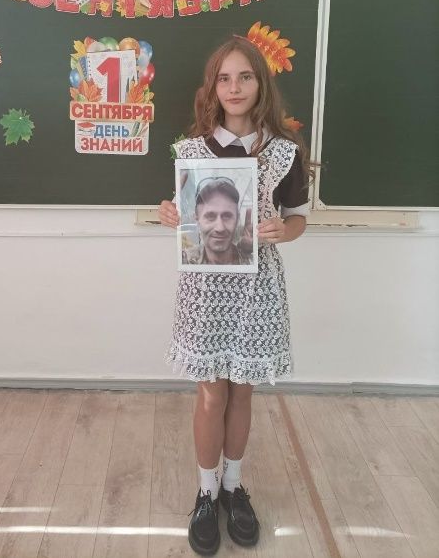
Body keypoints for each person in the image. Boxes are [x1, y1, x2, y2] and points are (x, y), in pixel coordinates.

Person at [159, 36, 310, 555]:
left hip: (256, 289)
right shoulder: (191, 151)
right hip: (205, 289)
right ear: (213, 87)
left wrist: (282, 231)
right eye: (224, 78)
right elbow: (185, 214)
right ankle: (205, 493)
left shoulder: (284, 152)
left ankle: (232, 486)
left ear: (260, 83)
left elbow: (298, 219)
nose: (235, 87)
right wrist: (169, 214)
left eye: (245, 76)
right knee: (211, 393)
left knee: (242, 391)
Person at [183, 178, 253, 266]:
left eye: (227, 216)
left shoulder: (252, 263)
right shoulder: (186, 260)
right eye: (210, 216)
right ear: (197, 219)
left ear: (237, 218)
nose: (220, 228)